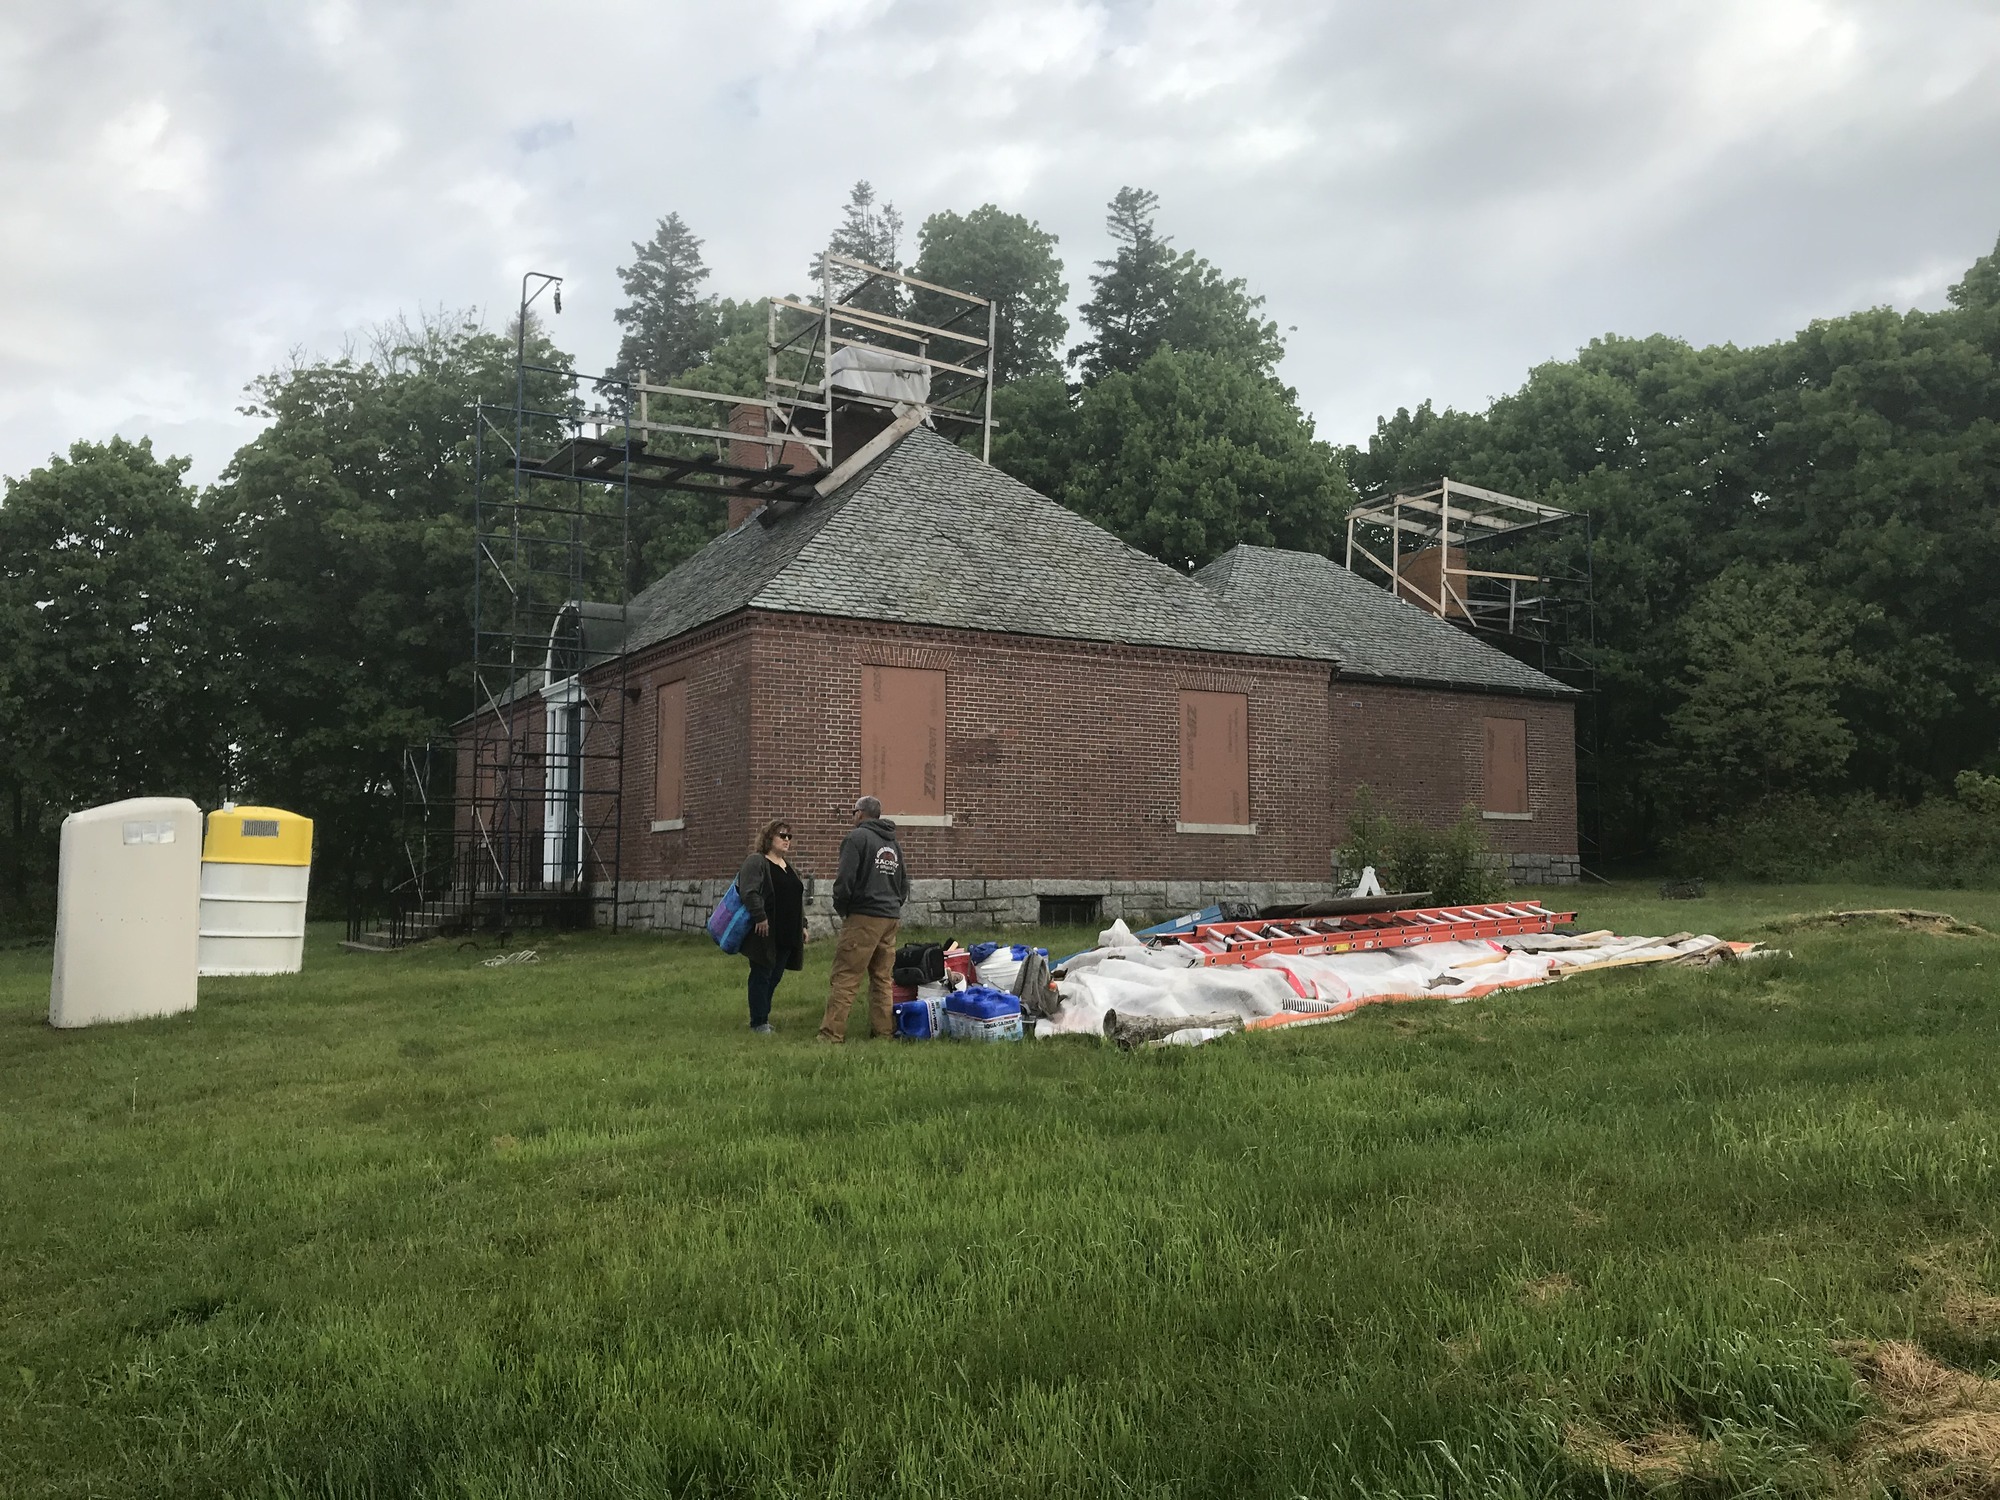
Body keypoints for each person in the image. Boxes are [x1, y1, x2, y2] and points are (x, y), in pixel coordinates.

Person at [818, 795, 909, 1043]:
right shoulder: (893, 844)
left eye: (852, 812)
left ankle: (830, 1035)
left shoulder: (856, 838)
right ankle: (883, 1033)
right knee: (882, 978)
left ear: (860, 813)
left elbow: (845, 880)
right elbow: (903, 885)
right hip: (890, 918)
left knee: (846, 976)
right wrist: (891, 906)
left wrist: (843, 907)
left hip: (863, 916)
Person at [734, 818, 805, 1035]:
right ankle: (758, 1022)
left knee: (774, 976)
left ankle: (763, 1016)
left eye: (789, 837)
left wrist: (803, 925)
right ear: (769, 838)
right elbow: (749, 891)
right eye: (782, 836)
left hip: (787, 931)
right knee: (761, 974)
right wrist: (760, 917)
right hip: (765, 930)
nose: (787, 840)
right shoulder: (757, 862)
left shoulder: (787, 866)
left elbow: (796, 898)